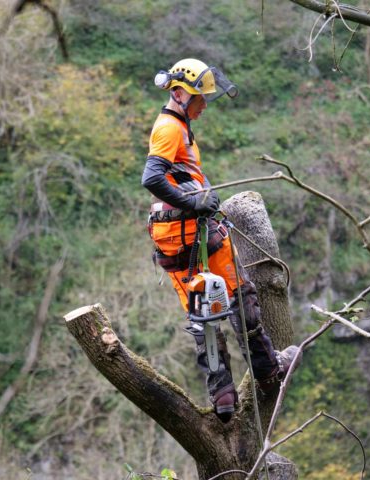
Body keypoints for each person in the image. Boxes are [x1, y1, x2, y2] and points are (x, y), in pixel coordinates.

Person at [141, 58, 298, 422]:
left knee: (202, 313)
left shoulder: (178, 124)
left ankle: (223, 396)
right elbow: (152, 177)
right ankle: (267, 368)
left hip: (172, 236)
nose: (204, 104)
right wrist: (194, 201)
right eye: (199, 97)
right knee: (239, 296)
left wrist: (191, 198)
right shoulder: (168, 129)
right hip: (191, 229)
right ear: (178, 94)